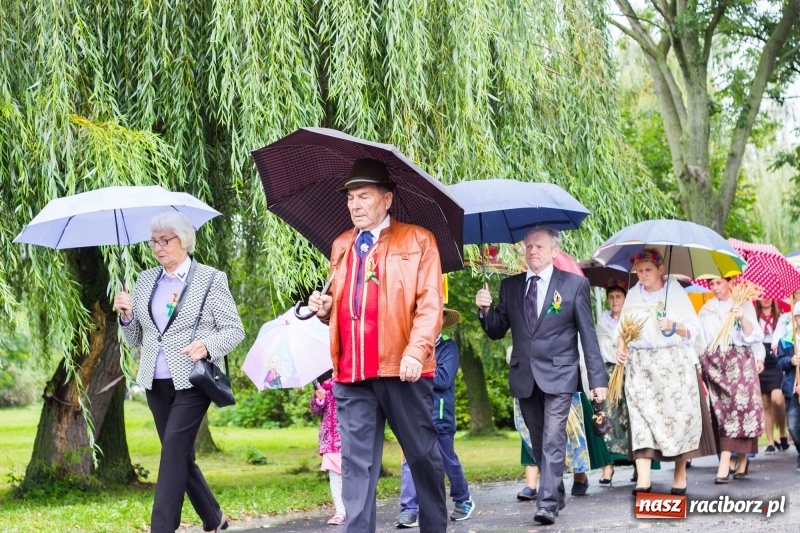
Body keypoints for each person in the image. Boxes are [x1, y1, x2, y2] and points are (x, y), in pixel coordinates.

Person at [307, 158, 447, 533]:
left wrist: (417, 351)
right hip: (352, 372)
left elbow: (430, 304)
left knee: (421, 455)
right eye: (351, 198)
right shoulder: (341, 245)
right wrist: (325, 310)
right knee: (356, 463)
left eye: (363, 196)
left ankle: (434, 526)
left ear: (387, 199)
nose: (355, 205)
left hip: (403, 369)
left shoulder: (419, 241)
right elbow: (344, 303)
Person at [113, 211, 245, 533]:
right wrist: (128, 317)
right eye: (153, 241)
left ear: (184, 241)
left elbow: (234, 330)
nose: (158, 247)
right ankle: (214, 518)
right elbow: (136, 340)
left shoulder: (210, 279)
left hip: (193, 379)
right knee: (179, 455)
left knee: (172, 449)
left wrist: (207, 346)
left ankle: (161, 528)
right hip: (155, 381)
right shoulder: (145, 281)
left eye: (165, 240)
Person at [476, 227, 607, 526]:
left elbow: (588, 336)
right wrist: (485, 311)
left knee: (553, 437)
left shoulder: (574, 286)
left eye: (538, 246)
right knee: (538, 442)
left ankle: (546, 503)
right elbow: (497, 330)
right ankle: (556, 490)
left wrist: (597, 381)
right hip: (525, 376)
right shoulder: (510, 287)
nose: (532, 251)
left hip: (561, 374)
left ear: (554, 252)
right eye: (528, 247)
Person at [615, 249, 715, 496]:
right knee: (641, 419)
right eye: (639, 270)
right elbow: (622, 329)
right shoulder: (633, 296)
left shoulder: (675, 293)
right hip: (641, 366)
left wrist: (674, 326)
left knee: (679, 420)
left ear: (661, 269)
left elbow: (694, 330)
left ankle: (679, 476)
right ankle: (644, 481)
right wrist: (620, 348)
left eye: (648, 270)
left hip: (674, 364)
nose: (643, 275)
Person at [396, 308, 474, 528]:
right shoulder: (409, 346)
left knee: (446, 460)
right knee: (410, 462)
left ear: (441, 321)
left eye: (435, 317)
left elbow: (443, 379)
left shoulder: (448, 347)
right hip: (413, 413)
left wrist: (416, 366)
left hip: (439, 416)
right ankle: (409, 510)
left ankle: (463, 499)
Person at [698, 277, 765, 483]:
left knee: (742, 410)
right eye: (712, 284)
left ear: (730, 283)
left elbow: (754, 335)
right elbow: (700, 338)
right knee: (722, 413)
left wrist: (741, 316)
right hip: (715, 364)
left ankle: (726, 464)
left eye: (718, 283)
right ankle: (741, 460)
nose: (715, 288)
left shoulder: (742, 303)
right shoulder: (707, 308)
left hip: (740, 363)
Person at [594, 279, 630, 484]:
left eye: (618, 296)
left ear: (625, 298)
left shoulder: (631, 318)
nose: (615, 300)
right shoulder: (603, 320)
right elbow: (600, 344)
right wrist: (614, 346)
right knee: (606, 415)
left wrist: (623, 346)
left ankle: (637, 465)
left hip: (629, 370)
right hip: (608, 370)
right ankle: (608, 466)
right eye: (611, 296)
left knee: (630, 415)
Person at [310, 375, 346, 526]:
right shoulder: (322, 384)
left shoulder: (347, 380)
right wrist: (319, 398)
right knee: (335, 477)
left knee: (350, 475)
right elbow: (316, 410)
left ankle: (354, 509)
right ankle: (340, 511)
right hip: (330, 439)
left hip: (347, 436)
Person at [757, 298, 789, 452]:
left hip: (775, 356)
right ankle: (770, 441)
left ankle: (782, 432)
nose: (766, 300)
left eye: (769, 297)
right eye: (762, 297)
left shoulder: (780, 317)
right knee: (765, 402)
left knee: (777, 398)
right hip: (762, 357)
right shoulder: (755, 317)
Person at [776, 302, 800, 471]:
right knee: (793, 425)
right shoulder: (786, 340)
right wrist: (790, 361)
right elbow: (778, 363)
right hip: (792, 390)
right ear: (795, 318)